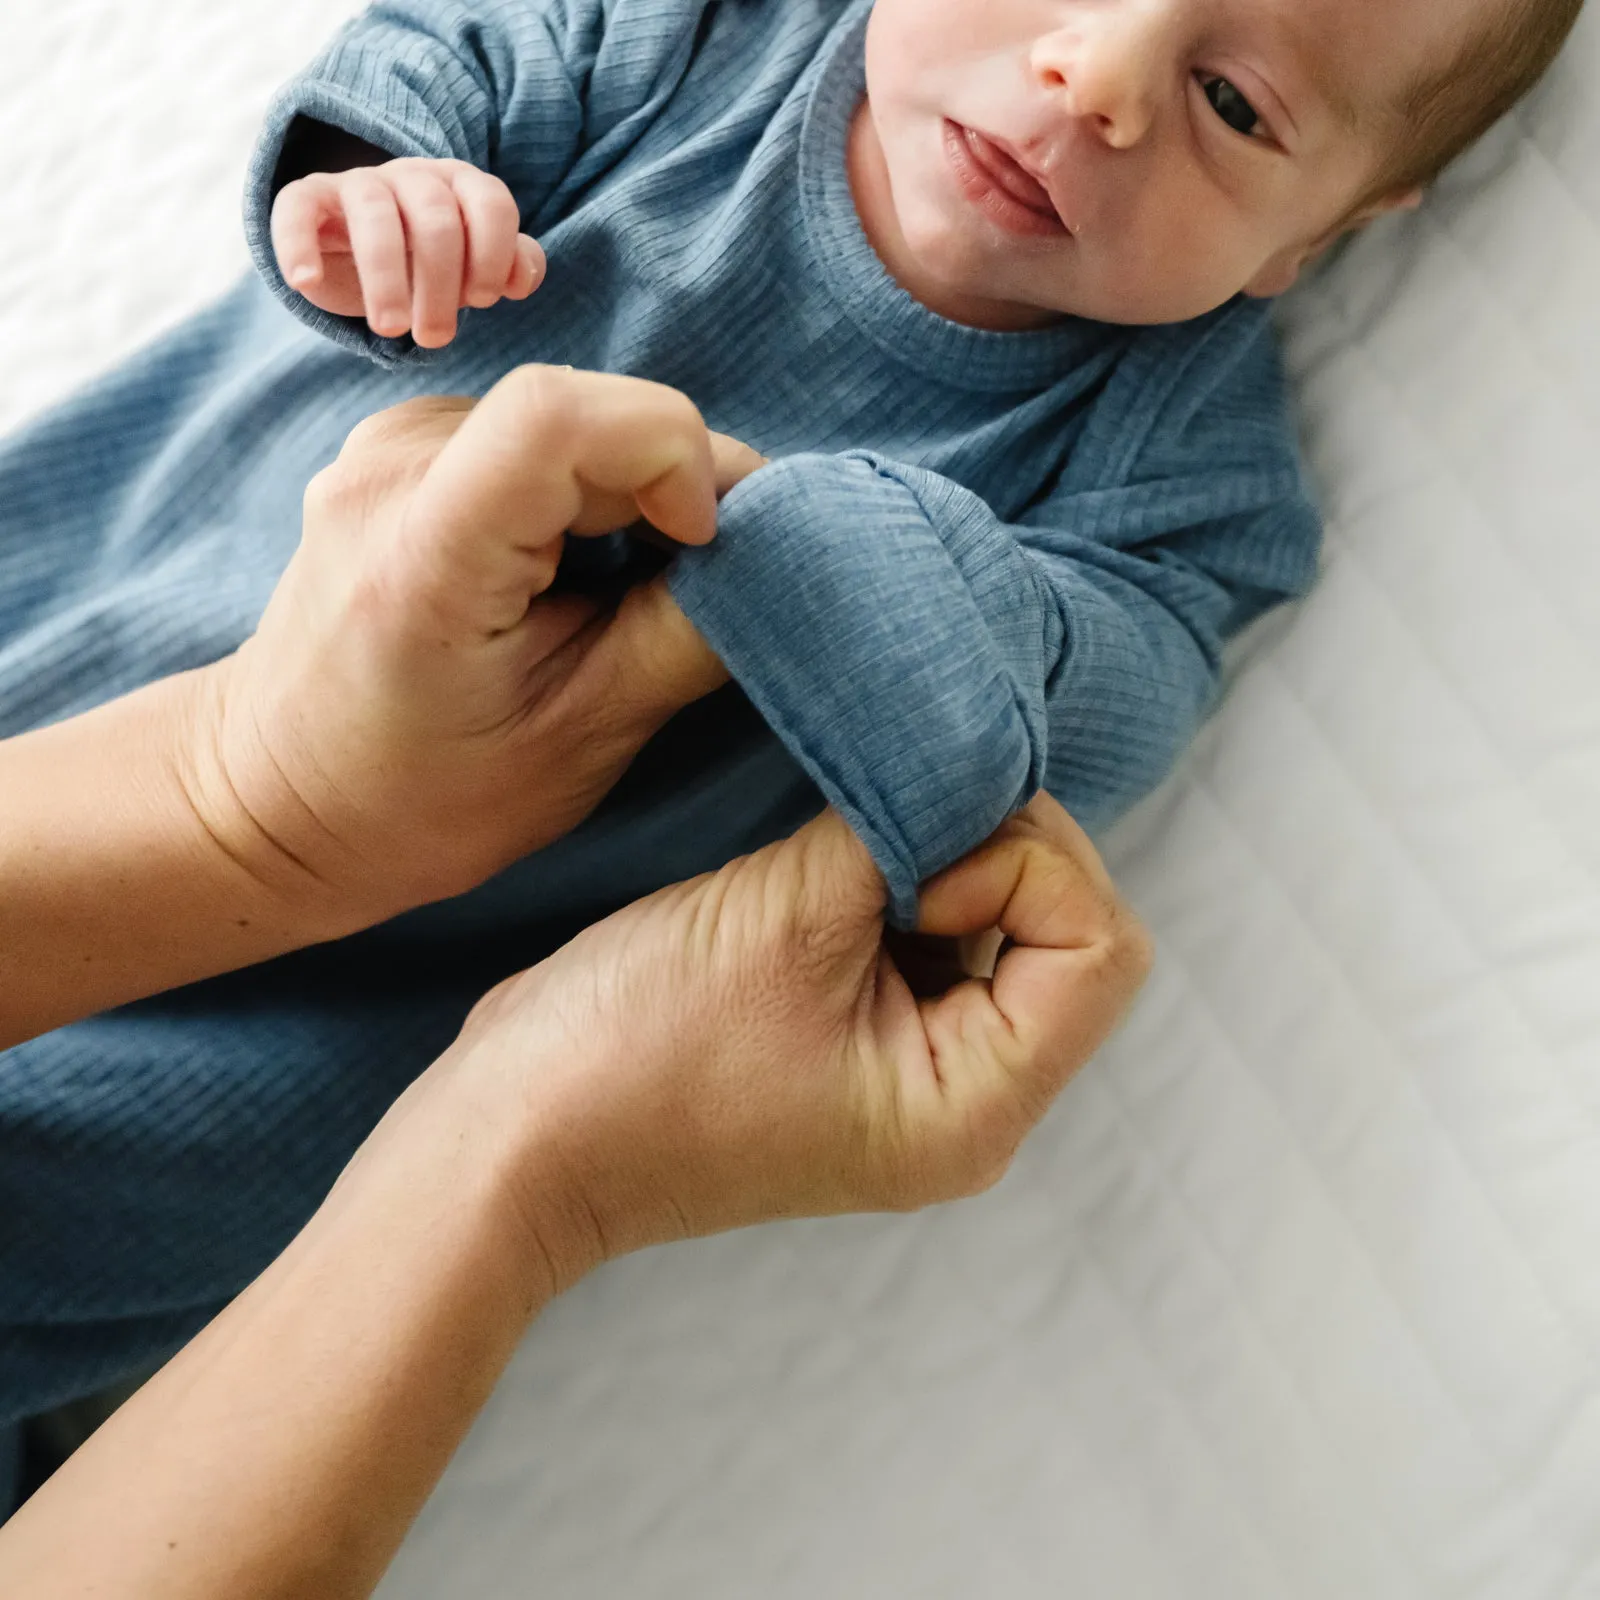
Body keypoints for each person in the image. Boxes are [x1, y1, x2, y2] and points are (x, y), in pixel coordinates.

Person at [0, 0, 1581, 1428]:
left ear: (1327, 230)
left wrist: (798, 529)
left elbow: (1045, 728)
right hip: (93, 602)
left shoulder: (1178, 484)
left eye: (1236, 107)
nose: (1091, 77)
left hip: (322, 1022)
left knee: (75, 1207)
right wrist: (385, 181)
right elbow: (439, 55)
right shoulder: (700, 38)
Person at [0, 367, 1150, 1593]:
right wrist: (529, 1163)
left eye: (1245, 152)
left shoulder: (1170, 422)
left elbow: (1114, 672)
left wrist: (252, 804)